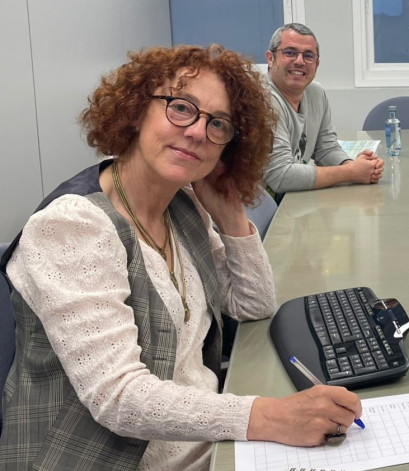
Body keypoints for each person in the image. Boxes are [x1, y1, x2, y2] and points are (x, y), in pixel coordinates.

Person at [0, 45, 362, 469]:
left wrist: (229, 210)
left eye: (218, 124)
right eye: (181, 108)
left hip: (206, 442)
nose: (196, 132)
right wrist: (270, 415)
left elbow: (252, 303)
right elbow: (118, 397)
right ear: (136, 110)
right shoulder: (73, 226)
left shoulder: (181, 205)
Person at [264, 23, 383, 197]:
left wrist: (357, 166)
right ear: (270, 58)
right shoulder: (262, 99)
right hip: (261, 212)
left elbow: (326, 148)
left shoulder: (316, 93)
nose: (299, 61)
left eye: (308, 55)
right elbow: (281, 177)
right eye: (289, 52)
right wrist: (350, 172)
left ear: (317, 64)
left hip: (294, 200)